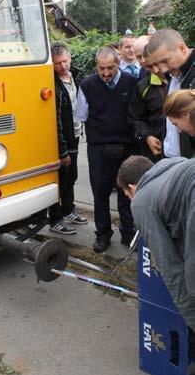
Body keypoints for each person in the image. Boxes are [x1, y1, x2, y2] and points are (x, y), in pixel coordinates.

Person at [117, 155, 195, 375]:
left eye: (126, 194)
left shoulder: (141, 201)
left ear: (133, 187)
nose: (129, 198)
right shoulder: (173, 164)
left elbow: (169, 266)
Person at [76, 46, 138, 252]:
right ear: (96, 66)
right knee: (100, 193)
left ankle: (128, 233)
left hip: (127, 147)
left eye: (110, 68)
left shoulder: (131, 82)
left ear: (118, 63)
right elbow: (83, 116)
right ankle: (102, 234)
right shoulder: (87, 85)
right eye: (101, 68)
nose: (105, 73)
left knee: (126, 193)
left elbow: (136, 114)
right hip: (98, 148)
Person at [48, 42, 88, 235]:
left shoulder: (75, 77)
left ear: (70, 58)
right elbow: (55, 120)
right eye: (57, 63)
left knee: (71, 176)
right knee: (60, 180)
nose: (63, 66)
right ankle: (55, 219)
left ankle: (69, 210)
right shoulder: (52, 84)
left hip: (76, 134)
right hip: (63, 140)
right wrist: (62, 150)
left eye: (65, 61)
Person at [146, 28, 195, 158]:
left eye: (165, 61)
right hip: (171, 161)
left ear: (182, 48)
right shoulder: (172, 77)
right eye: (156, 64)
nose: (162, 69)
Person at [128, 46, 169, 162]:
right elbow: (135, 118)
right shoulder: (142, 87)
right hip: (156, 152)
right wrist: (147, 137)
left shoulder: (182, 80)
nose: (156, 70)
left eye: (158, 64)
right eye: (150, 67)